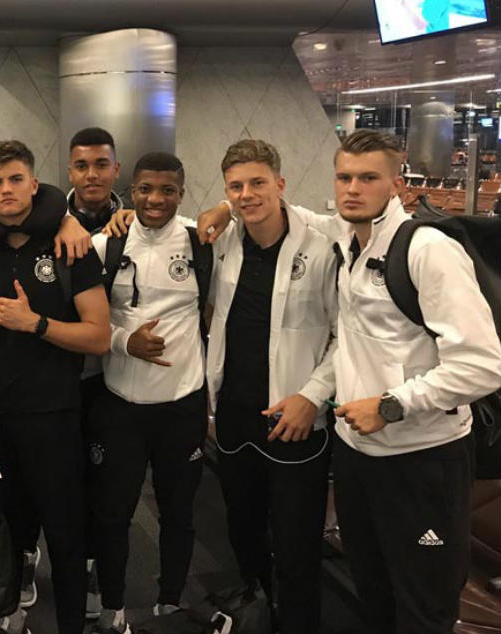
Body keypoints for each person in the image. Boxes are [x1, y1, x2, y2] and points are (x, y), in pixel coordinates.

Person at [199, 129, 501, 633]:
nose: (353, 188)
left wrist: (390, 405)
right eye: (344, 178)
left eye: (368, 178)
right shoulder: (345, 242)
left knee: (423, 603)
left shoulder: (428, 250)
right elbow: (266, 210)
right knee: (372, 590)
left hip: (421, 455)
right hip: (357, 452)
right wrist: (225, 208)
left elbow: (483, 364)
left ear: (397, 184)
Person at [0, 140, 110, 634]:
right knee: (3, 528)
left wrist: (36, 324)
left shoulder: (70, 248)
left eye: (16, 179)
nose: (6, 190)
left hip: (52, 415)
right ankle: (9, 614)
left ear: (34, 184)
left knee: (65, 536)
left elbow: (100, 336)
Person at [205, 140, 338, 634]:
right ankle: (256, 613)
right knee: (242, 530)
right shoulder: (223, 241)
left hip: (294, 417)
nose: (247, 195)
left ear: (280, 184)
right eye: (235, 187)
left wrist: (313, 396)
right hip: (235, 414)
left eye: (257, 183)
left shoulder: (321, 246)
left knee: (296, 544)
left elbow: (346, 336)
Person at [87, 152, 208, 634]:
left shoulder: (202, 242)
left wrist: (224, 209)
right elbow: (85, 319)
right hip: (121, 404)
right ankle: (113, 606)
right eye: (145, 189)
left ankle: (170, 601)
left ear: (181, 193)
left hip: (183, 404)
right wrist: (124, 342)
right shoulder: (106, 245)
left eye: (167, 191)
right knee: (113, 513)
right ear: (131, 191)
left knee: (179, 512)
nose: (155, 200)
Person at [19, 125, 124, 616]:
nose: (92, 175)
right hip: (50, 378)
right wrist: (62, 219)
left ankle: (91, 565)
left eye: (101, 164)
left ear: (116, 169)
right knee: (41, 480)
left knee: (101, 484)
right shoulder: (48, 220)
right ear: (69, 171)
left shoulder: (134, 222)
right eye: (82, 166)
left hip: (106, 378)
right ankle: (27, 554)